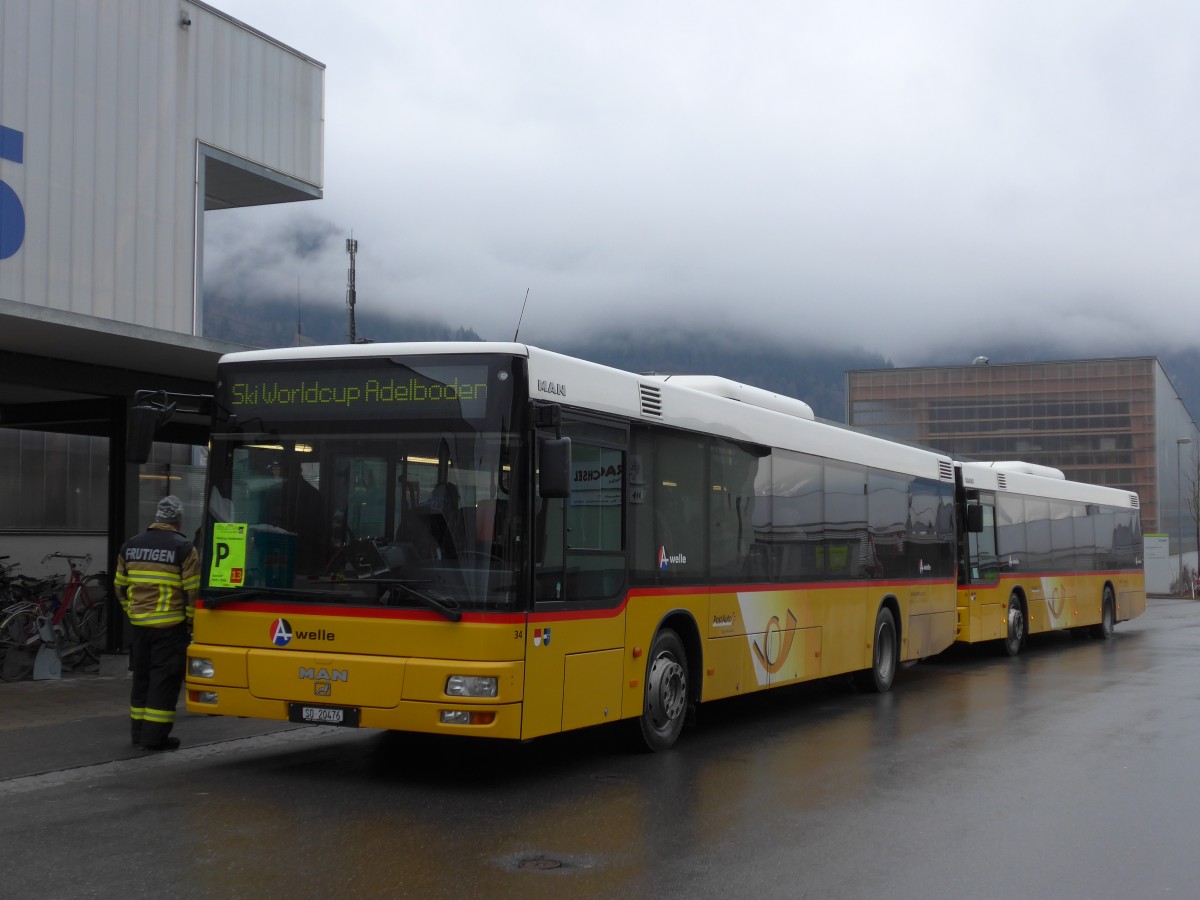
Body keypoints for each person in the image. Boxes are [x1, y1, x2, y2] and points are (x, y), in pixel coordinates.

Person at [114, 495, 199, 752]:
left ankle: (138, 734)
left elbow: (120, 587)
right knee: (163, 682)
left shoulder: (130, 546)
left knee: (141, 679)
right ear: (178, 521)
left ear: (157, 519)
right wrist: (190, 623)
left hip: (140, 628)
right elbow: (192, 592)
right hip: (170, 629)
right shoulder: (184, 549)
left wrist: (132, 612)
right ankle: (155, 739)